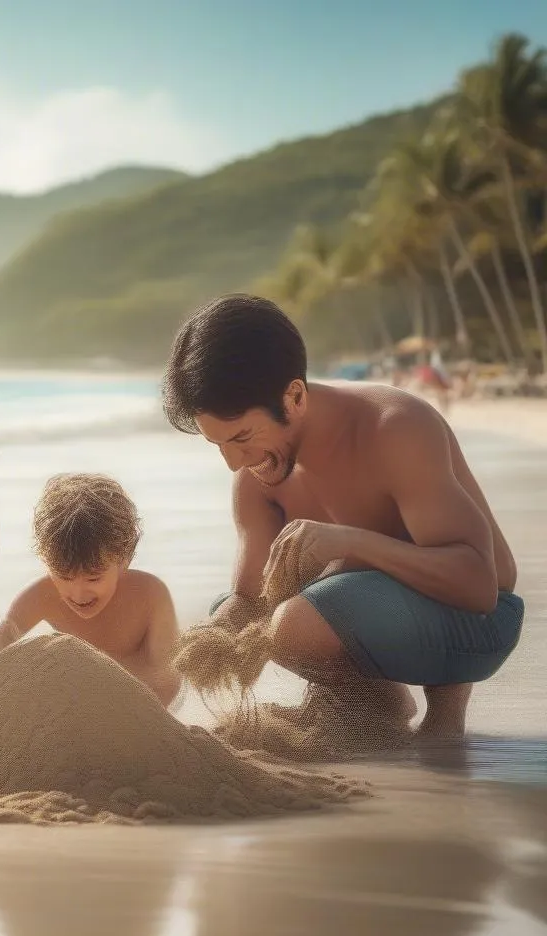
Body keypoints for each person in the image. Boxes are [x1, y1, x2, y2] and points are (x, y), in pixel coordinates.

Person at [161, 294, 524, 739]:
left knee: (296, 620)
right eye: (218, 445)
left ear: (294, 396)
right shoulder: (259, 468)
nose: (235, 463)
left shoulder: (394, 429)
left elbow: (479, 586)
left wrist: (351, 542)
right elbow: (247, 598)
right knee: (227, 617)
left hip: (479, 625)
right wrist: (200, 647)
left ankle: (446, 704)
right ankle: (377, 699)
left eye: (242, 437)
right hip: (373, 607)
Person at [0, 473, 182, 708]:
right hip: (77, 708)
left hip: (143, 708)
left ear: (124, 558)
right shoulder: (41, 596)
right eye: (64, 577)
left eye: (94, 578)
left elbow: (168, 679)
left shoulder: (150, 595)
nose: (78, 595)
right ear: (45, 561)